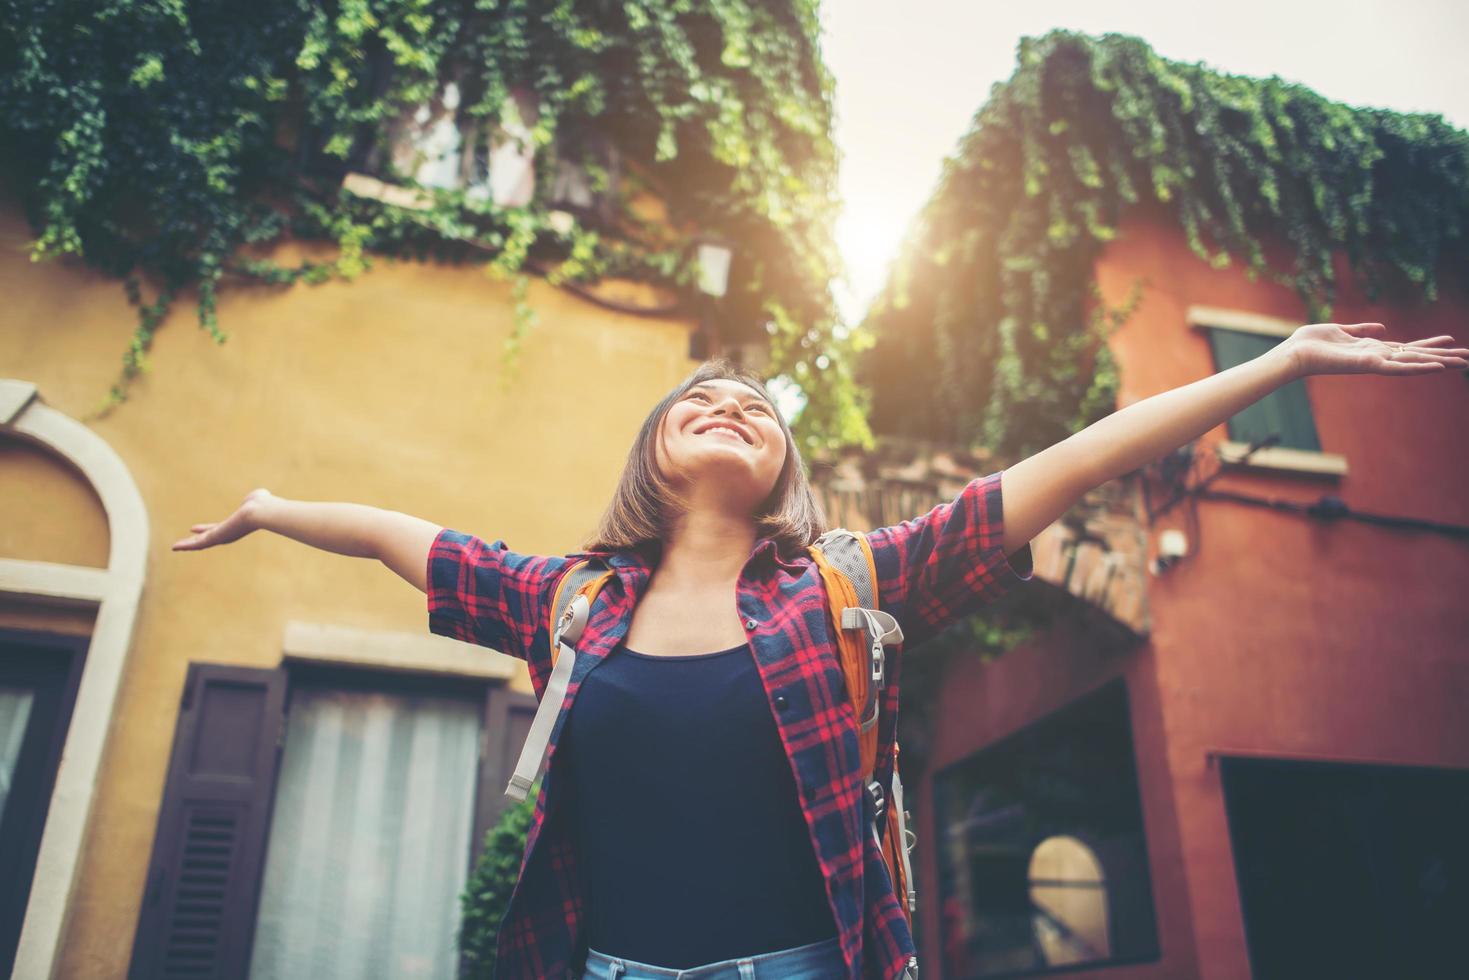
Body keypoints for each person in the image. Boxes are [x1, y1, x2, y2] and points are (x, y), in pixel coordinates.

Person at [173, 323, 1465, 979]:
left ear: (782, 463)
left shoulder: (845, 583)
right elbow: (411, 540)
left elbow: (1071, 459)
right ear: (654, 457)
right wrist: (273, 510)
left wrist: (1278, 361)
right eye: (699, 401)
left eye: (757, 407)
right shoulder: (566, 602)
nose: (729, 406)